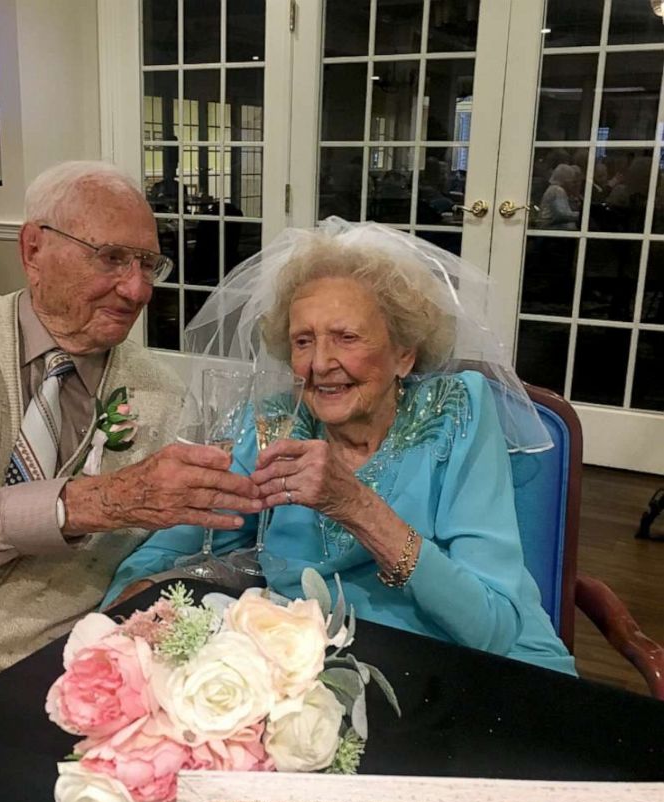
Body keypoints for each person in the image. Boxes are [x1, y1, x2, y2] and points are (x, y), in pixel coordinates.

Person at [105, 219, 574, 675]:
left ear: (404, 354)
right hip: (324, 671)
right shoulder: (273, 424)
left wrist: (354, 505)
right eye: (303, 341)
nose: (321, 363)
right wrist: (136, 600)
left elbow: (490, 628)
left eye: (347, 338)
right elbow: (173, 546)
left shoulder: (456, 413)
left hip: (468, 666)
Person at [0, 161, 260, 678]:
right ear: (33, 250)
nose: (138, 291)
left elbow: (178, 550)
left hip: (54, 671)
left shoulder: (168, 399)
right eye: (111, 258)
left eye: (149, 265)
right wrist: (103, 501)